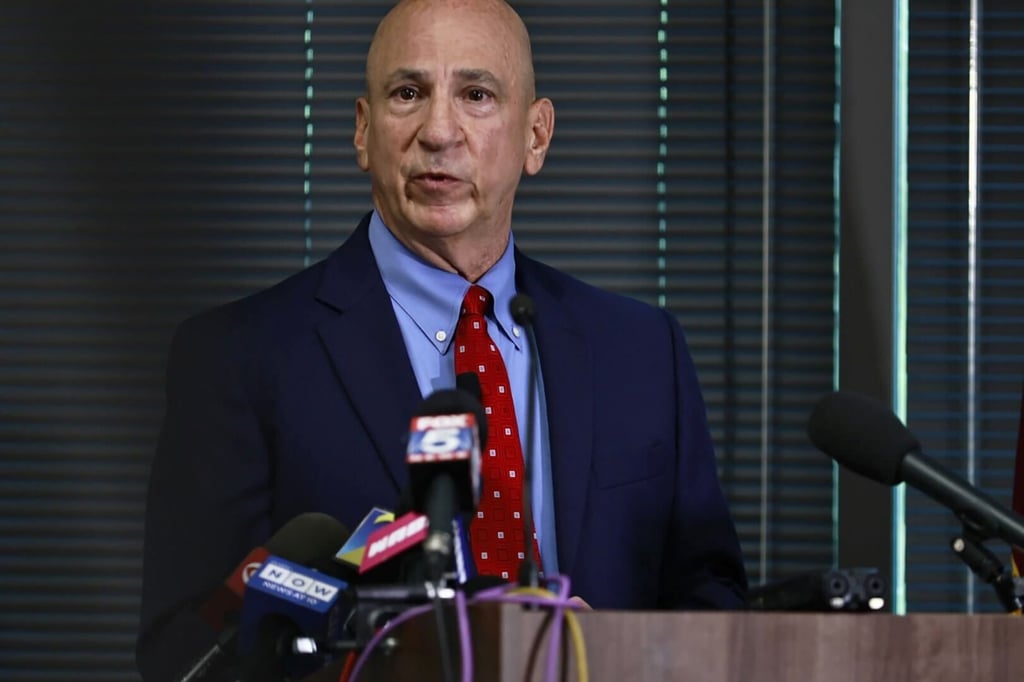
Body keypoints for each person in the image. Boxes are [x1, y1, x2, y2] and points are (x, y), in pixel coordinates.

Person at [137, 0, 747, 678]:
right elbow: (183, 650)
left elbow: (712, 603)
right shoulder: (239, 357)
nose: (439, 131)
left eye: (477, 95)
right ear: (364, 131)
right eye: (408, 93)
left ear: (535, 136)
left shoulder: (641, 352)